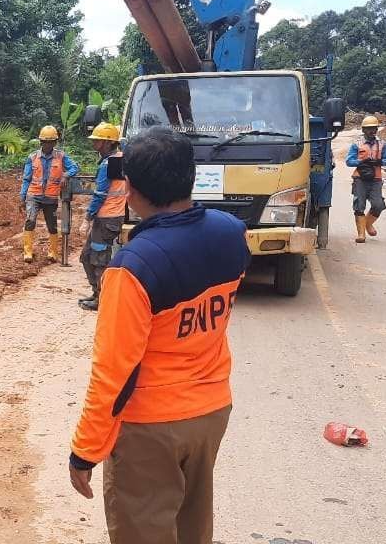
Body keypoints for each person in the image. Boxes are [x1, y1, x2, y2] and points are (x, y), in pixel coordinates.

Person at [67, 127, 250, 544]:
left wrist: (85, 451)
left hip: (151, 428)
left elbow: (114, 373)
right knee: (192, 524)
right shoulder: (231, 233)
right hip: (211, 411)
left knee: (143, 530)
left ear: (130, 188)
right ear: (191, 176)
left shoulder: (132, 268)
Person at [79, 122, 127, 311]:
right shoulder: (121, 159)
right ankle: (97, 292)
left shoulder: (109, 164)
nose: (94, 144)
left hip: (108, 218)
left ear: (108, 143)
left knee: (99, 259)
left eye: (98, 141)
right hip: (109, 217)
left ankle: (103, 299)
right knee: (86, 257)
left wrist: (87, 218)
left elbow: (100, 195)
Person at [20, 125, 80, 263]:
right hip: (33, 195)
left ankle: (53, 252)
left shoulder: (61, 157)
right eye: (45, 142)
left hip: (51, 197)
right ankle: (28, 252)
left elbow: (75, 167)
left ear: (55, 143)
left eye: (50, 142)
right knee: (30, 221)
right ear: (41, 142)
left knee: (52, 225)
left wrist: (66, 174)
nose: (47, 144)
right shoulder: (32, 157)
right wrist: (22, 197)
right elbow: (26, 178)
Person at [345, 115, 386, 243]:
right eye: (369, 129)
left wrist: (379, 161)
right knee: (359, 205)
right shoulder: (357, 144)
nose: (372, 131)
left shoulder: (382, 144)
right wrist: (361, 161)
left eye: (374, 129)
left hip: (376, 179)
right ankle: (361, 234)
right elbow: (348, 161)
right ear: (363, 130)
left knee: (378, 205)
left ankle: (368, 224)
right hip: (360, 178)